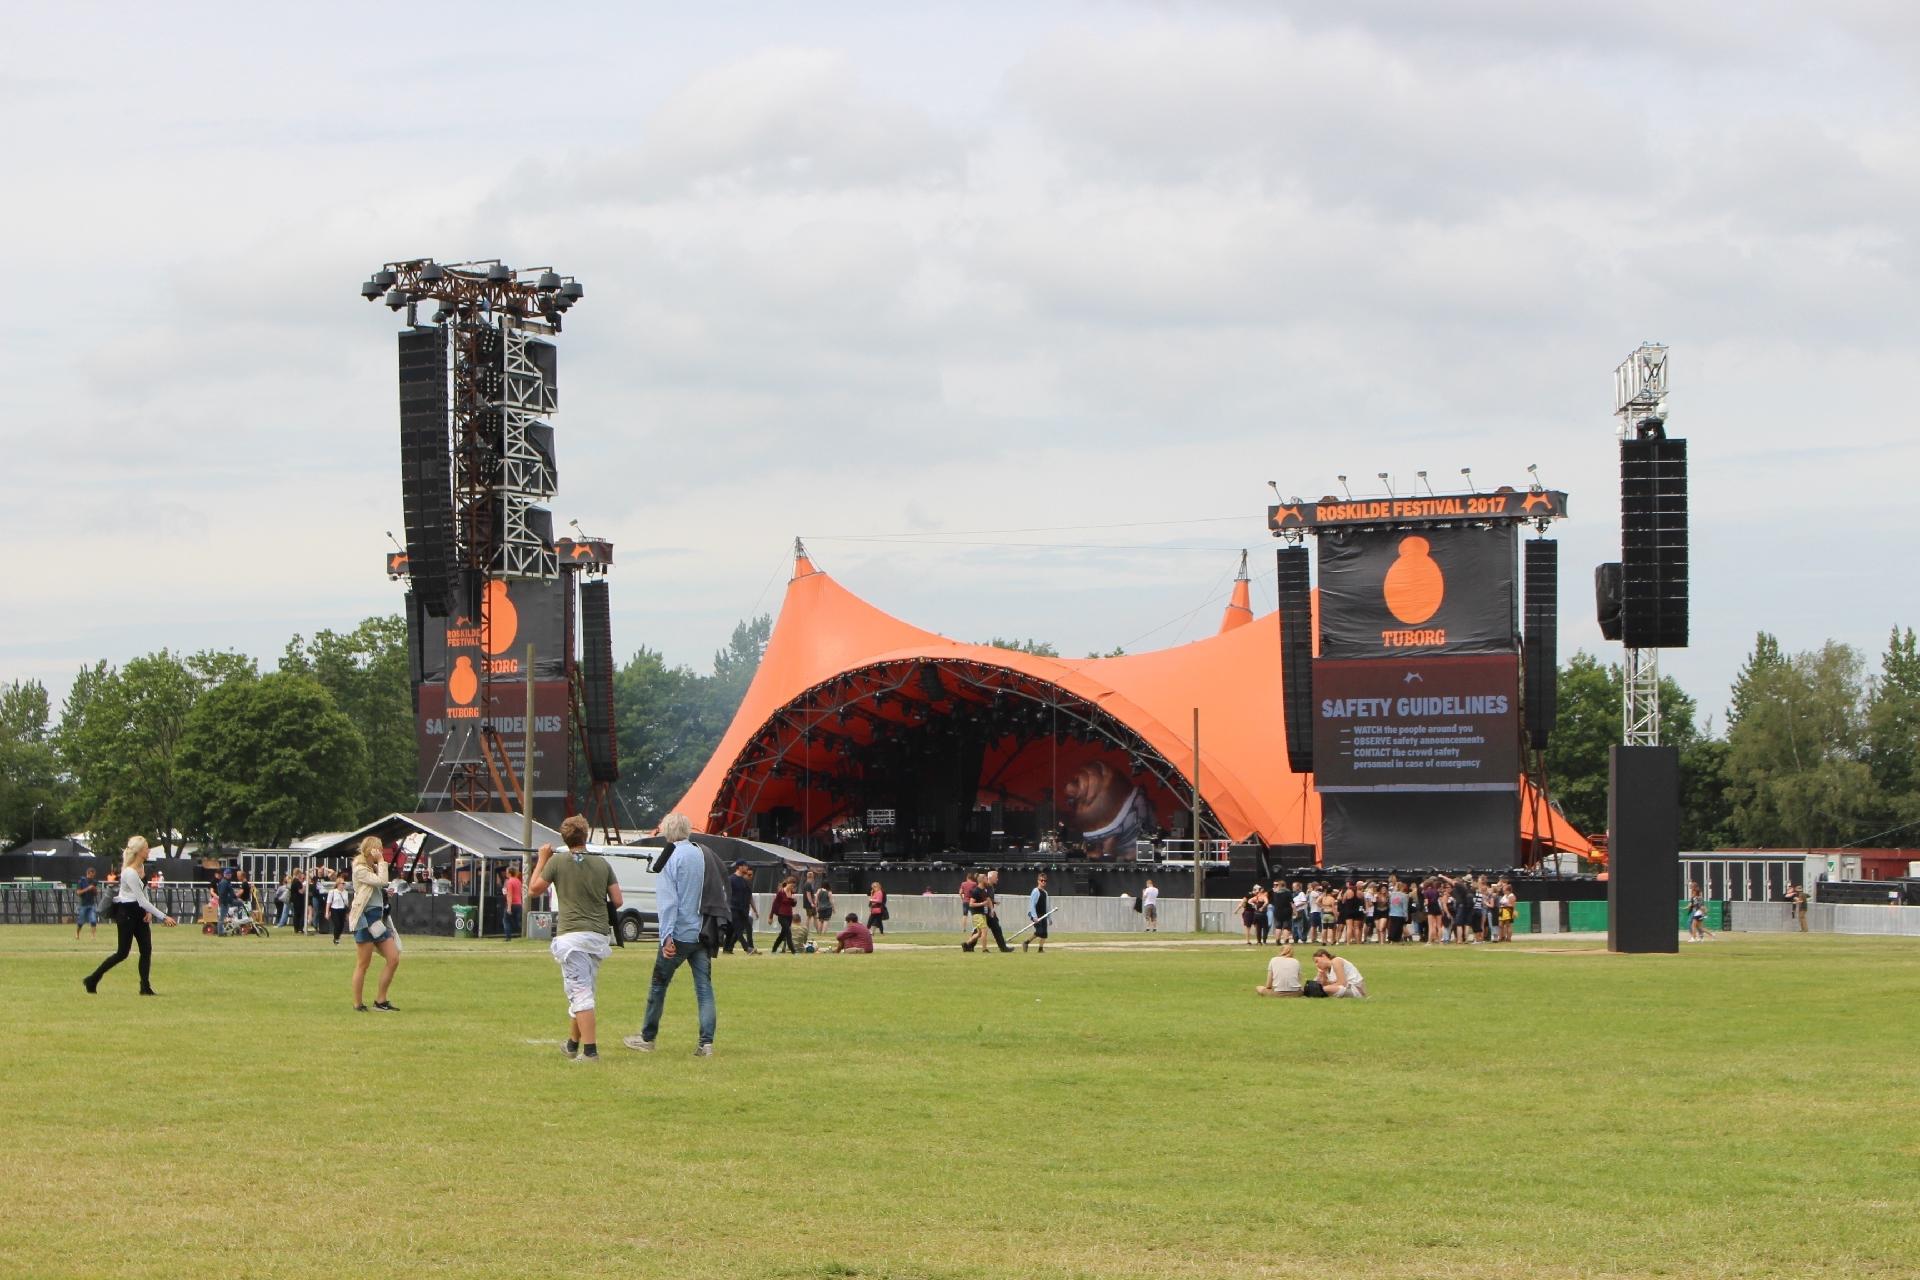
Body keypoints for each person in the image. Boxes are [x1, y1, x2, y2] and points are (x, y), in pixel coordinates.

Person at [626, 813, 716, 1056]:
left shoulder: (671, 858)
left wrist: (666, 937)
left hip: (678, 933)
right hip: (702, 932)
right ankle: (706, 1042)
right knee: (704, 988)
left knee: (658, 985)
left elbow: (668, 902)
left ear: (667, 831)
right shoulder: (701, 854)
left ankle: (647, 1037)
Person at [531, 816, 621, 1059]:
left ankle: (590, 1051)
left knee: (580, 993)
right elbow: (618, 900)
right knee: (585, 989)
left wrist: (541, 860)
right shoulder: (602, 863)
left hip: (572, 937)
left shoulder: (557, 861)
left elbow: (533, 889)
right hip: (598, 936)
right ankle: (572, 1044)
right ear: (586, 835)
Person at [83, 837, 176, 995]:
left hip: (139, 911)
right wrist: (163, 916)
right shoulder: (130, 873)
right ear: (139, 851)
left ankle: (145, 987)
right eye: (146, 848)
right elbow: (139, 899)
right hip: (126, 913)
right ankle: (93, 979)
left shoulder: (141, 868)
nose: (149, 850)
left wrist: (147, 912)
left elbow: (143, 892)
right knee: (122, 953)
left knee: (146, 950)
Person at [347, 837, 401, 1013]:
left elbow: (381, 885)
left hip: (377, 919)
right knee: (363, 963)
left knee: (393, 958)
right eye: (378, 849)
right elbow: (382, 881)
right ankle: (358, 1004)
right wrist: (381, 863)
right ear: (371, 850)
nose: (381, 852)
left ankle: (381, 1000)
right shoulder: (360, 869)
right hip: (364, 918)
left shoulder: (373, 868)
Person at [724, 861, 758, 954]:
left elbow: (748, 896)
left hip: (743, 909)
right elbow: (726, 894)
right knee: (738, 929)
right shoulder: (731, 879)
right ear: (739, 867)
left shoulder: (744, 881)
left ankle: (727, 949)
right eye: (745, 866)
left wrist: (754, 909)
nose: (747, 868)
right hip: (733, 908)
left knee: (734, 930)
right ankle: (747, 948)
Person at [960, 875, 993, 952]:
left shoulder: (984, 890)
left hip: (982, 914)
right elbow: (971, 904)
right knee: (984, 931)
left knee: (979, 933)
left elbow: (988, 900)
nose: (987, 880)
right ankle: (984, 949)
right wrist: (982, 903)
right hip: (977, 914)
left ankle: (966, 944)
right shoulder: (976, 891)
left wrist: (991, 910)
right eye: (986, 879)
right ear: (981, 880)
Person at [983, 871, 1013, 951]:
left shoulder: (991, 887)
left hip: (989, 911)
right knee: (980, 931)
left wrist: (994, 902)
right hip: (987, 912)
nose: (997, 879)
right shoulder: (987, 887)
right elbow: (987, 899)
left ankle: (1003, 947)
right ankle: (969, 944)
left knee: (996, 929)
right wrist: (992, 910)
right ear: (990, 877)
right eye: (996, 877)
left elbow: (989, 899)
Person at [769, 876, 799, 953]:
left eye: (793, 886)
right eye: (791, 885)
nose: (792, 887)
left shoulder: (792, 892)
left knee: (782, 934)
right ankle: (793, 952)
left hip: (789, 916)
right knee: (788, 933)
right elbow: (774, 904)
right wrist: (771, 916)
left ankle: (774, 949)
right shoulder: (781, 892)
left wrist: (794, 900)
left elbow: (793, 905)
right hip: (782, 916)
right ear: (787, 884)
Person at [1025, 872, 1051, 953]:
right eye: (1042, 880)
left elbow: (1047, 906)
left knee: (1044, 934)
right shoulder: (1035, 891)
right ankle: (1026, 942)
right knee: (1039, 931)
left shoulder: (1045, 893)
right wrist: (1034, 916)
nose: (1043, 882)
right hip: (1036, 915)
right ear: (1038, 881)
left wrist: (1049, 918)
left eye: (1045, 881)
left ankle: (1040, 949)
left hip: (1043, 915)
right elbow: (1032, 904)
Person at [74, 867, 102, 939]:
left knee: (93, 920)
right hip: (83, 904)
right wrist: (87, 889)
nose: (92, 877)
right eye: (91, 875)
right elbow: (78, 892)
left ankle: (93, 936)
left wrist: (94, 889)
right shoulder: (81, 881)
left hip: (91, 904)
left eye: (93, 876)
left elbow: (96, 894)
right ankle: (77, 934)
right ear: (88, 874)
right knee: (81, 922)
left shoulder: (94, 882)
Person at [326, 871, 351, 945]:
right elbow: (328, 902)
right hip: (334, 909)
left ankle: (337, 937)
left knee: (341, 925)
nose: (343, 885)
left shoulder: (345, 892)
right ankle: (336, 938)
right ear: (338, 884)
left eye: (344, 883)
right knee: (337, 924)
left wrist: (348, 913)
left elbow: (346, 903)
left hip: (342, 910)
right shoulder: (332, 892)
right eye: (342, 883)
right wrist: (327, 912)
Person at [501, 864, 524, 942]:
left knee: (506, 920)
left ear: (510, 873)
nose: (506, 873)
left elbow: (509, 895)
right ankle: (524, 933)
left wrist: (509, 907)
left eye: (507, 872)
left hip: (512, 904)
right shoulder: (518, 881)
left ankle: (508, 937)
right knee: (517, 921)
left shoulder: (509, 882)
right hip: (519, 904)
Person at [287, 871, 307, 935]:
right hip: (298, 900)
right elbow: (301, 891)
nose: (301, 875)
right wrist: (305, 886)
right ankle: (300, 928)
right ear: (298, 874)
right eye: (300, 874)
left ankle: (297, 928)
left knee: (296, 914)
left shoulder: (294, 881)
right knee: (300, 914)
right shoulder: (297, 882)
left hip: (295, 900)